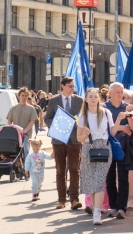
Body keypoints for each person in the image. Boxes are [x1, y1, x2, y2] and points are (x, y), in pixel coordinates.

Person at [77, 88, 118, 225]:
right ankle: (95, 209)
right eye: (91, 96)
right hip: (88, 147)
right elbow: (79, 139)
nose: (94, 98)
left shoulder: (106, 113)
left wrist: (119, 121)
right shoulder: (83, 116)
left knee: (100, 180)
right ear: (86, 99)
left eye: (96, 96)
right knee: (91, 181)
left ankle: (97, 213)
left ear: (99, 99)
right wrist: (85, 133)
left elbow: (112, 131)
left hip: (104, 148)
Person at [44, 78, 83, 210]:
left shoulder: (79, 100)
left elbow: (83, 117)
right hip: (59, 139)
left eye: (73, 86)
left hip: (74, 139)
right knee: (60, 170)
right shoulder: (54, 100)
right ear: (62, 86)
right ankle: (61, 200)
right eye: (70, 86)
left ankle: (74, 199)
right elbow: (47, 117)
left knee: (74, 169)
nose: (72, 88)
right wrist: (55, 126)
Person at [103, 82, 133, 219]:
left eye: (121, 92)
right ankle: (113, 206)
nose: (120, 94)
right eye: (117, 92)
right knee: (110, 178)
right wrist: (122, 128)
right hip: (108, 145)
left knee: (123, 178)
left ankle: (122, 207)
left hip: (124, 147)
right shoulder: (104, 108)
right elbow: (103, 128)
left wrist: (129, 116)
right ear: (110, 94)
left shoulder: (128, 108)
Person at [7, 87, 38, 159]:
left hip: (26, 135)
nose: (24, 97)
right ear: (19, 96)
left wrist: (25, 131)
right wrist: (10, 130)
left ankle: (26, 169)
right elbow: (9, 120)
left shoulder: (31, 108)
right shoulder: (13, 108)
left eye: (26, 96)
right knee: (15, 153)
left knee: (26, 152)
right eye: (22, 95)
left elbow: (32, 121)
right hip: (15, 134)